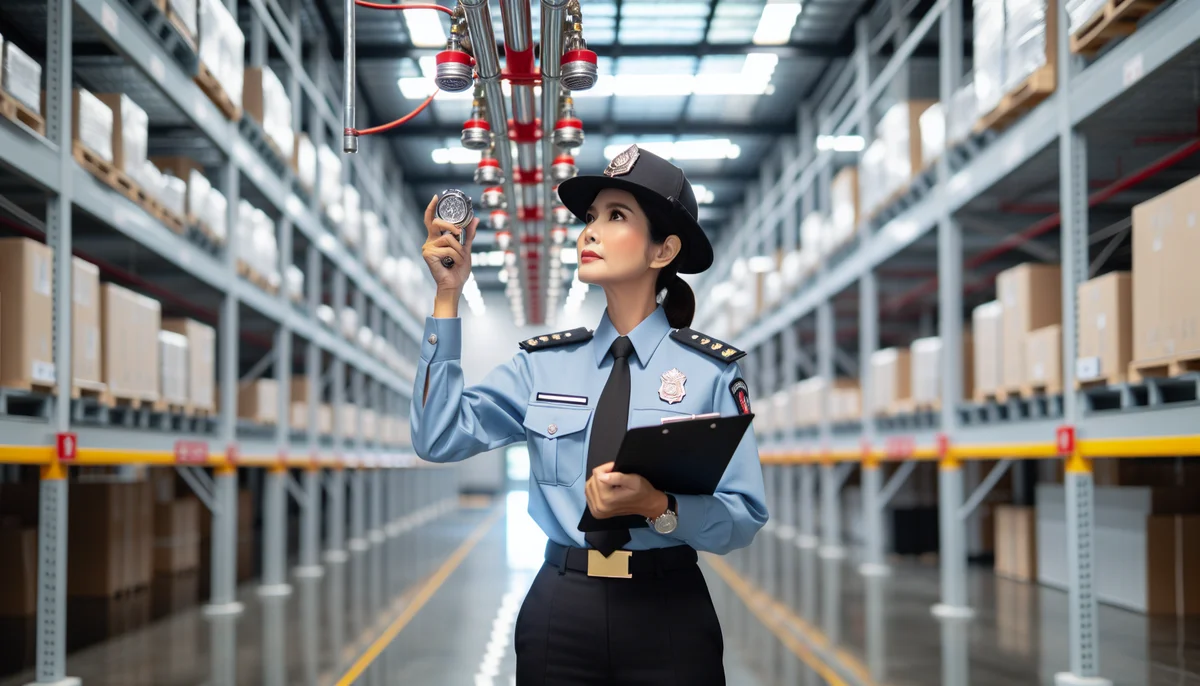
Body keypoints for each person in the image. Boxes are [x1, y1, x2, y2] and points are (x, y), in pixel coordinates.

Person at [411, 144, 768, 686]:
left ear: (663, 250)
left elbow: (742, 516)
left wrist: (659, 506)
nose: (589, 232)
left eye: (616, 216)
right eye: (591, 218)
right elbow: (438, 437)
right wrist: (446, 299)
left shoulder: (709, 373)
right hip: (562, 609)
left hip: (668, 613)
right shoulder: (543, 366)